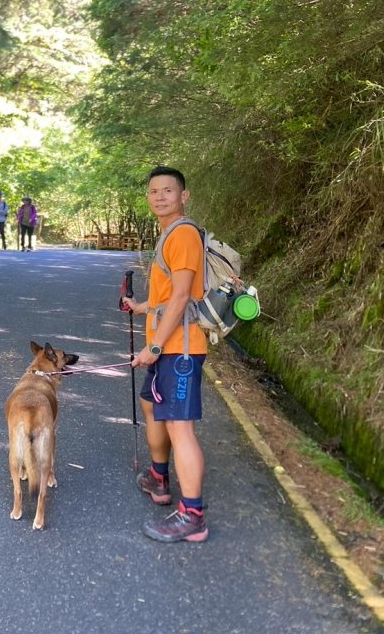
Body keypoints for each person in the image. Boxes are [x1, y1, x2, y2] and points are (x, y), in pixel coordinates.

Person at [120, 166, 209, 543]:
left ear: (183, 196)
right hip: (167, 346)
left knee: (180, 427)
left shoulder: (184, 234)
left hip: (180, 350)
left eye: (168, 190)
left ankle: (193, 516)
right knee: (152, 406)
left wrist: (155, 347)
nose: (159, 196)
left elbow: (183, 295)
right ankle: (159, 476)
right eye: (153, 191)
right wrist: (141, 307)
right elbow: (165, 296)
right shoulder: (168, 235)